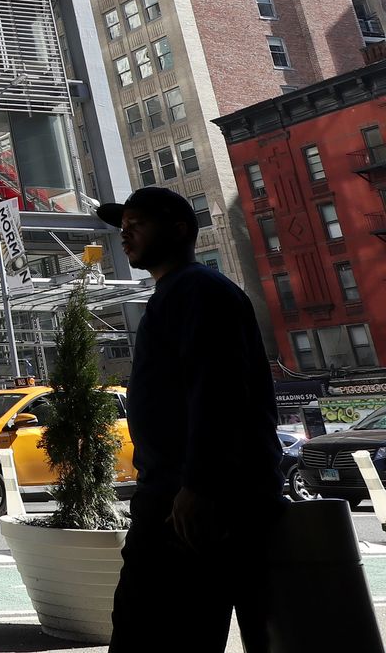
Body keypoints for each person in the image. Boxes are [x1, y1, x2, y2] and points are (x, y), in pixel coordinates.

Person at [101, 187, 280, 652]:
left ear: (179, 229)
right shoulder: (177, 292)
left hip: (193, 503)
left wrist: (199, 486)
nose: (125, 233)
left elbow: (218, 391)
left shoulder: (198, 289)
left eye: (137, 223)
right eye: (123, 227)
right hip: (181, 494)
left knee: (158, 631)